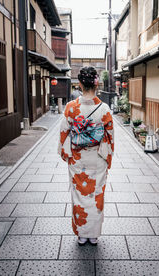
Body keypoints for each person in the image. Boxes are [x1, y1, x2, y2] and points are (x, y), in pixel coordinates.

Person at [59, 66, 114, 246]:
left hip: (77, 159)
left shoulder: (71, 107)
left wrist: (66, 153)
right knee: (96, 194)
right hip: (98, 158)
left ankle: (82, 235)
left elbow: (63, 133)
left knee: (79, 195)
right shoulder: (104, 108)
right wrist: (108, 157)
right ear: (96, 84)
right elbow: (110, 136)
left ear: (80, 84)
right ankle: (94, 235)